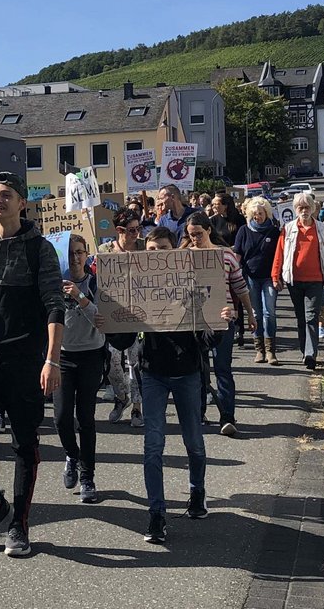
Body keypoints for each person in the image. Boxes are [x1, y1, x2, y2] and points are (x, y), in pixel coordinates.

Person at [0, 171, 65, 558]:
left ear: (22, 203)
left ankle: (19, 523)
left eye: (6, 194)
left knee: (24, 443)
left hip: (25, 358)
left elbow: (55, 306)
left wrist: (52, 359)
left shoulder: (40, 250)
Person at [138, 227, 235, 544]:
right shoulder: (138, 288)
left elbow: (208, 340)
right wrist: (110, 324)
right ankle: (156, 514)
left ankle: (197, 492)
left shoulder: (192, 286)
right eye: (151, 251)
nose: (157, 255)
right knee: (153, 445)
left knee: (193, 441)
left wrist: (220, 322)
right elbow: (123, 338)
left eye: (163, 249)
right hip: (152, 373)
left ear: (175, 252)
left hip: (187, 372)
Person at [182, 212, 254, 436]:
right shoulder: (183, 257)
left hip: (223, 319)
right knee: (198, 369)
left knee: (223, 368)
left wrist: (250, 314)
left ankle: (227, 416)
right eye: (191, 235)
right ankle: (199, 413)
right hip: (194, 321)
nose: (195, 239)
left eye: (199, 234)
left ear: (209, 230)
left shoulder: (226, 255)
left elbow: (240, 286)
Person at [55, 234, 108, 504]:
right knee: (61, 417)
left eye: (80, 252)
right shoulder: (54, 283)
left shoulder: (96, 282)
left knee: (85, 418)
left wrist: (80, 296)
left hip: (91, 355)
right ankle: (71, 455)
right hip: (62, 357)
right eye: (70, 253)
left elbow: (101, 319)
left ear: (87, 255)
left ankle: (88, 477)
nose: (75, 258)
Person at [271, 193, 324, 369]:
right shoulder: (288, 229)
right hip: (295, 280)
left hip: (316, 280)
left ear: (312, 209)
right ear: (295, 210)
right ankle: (304, 351)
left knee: (311, 317)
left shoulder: (322, 229)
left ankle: (310, 354)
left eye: (307, 207)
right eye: (300, 208)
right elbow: (280, 254)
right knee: (301, 318)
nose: (304, 211)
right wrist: (275, 276)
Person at [96, 209, 145, 427]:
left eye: (138, 229)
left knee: (135, 362)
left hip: (140, 314)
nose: (136, 234)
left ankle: (137, 407)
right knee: (113, 363)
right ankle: (121, 397)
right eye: (132, 230)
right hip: (114, 315)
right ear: (119, 230)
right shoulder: (105, 250)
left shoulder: (144, 248)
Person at [233, 197, 281, 364]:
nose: (257, 217)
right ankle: (259, 349)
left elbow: (280, 255)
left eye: (260, 213)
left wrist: (279, 276)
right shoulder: (243, 231)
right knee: (256, 313)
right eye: (254, 214)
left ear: (266, 213)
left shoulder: (274, 232)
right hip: (251, 277)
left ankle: (271, 350)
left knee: (270, 312)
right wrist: (232, 273)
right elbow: (238, 255)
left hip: (269, 277)